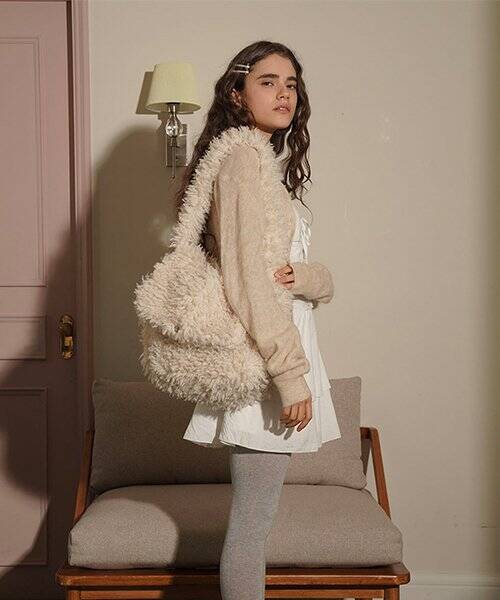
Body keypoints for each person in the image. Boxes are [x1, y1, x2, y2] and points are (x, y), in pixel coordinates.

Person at [175, 41, 341, 600]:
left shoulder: (260, 163)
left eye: (291, 84)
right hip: (265, 366)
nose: (284, 93)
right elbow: (246, 281)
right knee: (251, 528)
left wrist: (313, 278)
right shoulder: (244, 160)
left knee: (254, 524)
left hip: (274, 352)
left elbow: (273, 272)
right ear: (237, 93)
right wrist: (290, 375)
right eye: (268, 82)